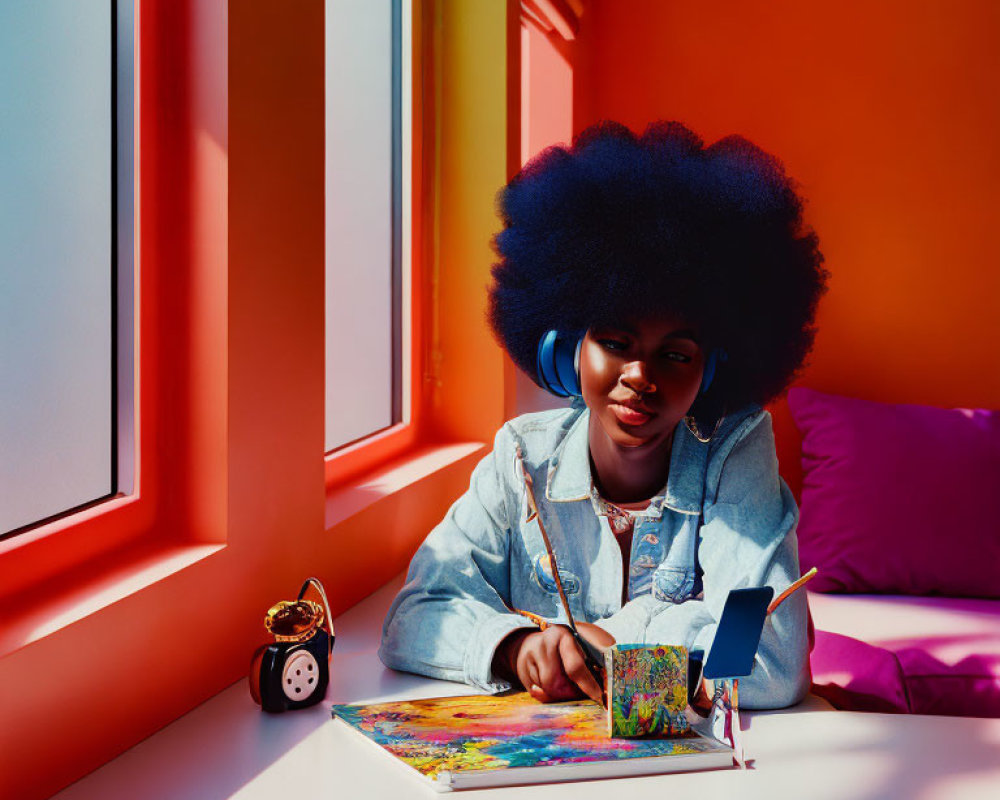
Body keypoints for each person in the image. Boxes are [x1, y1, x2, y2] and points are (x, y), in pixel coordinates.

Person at [378, 120, 828, 709]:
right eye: (616, 342)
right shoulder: (520, 458)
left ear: (710, 370)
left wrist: (621, 641)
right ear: (569, 345)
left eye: (675, 354)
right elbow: (415, 617)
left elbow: (770, 660)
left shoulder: (735, 450)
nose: (641, 375)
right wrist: (516, 647)